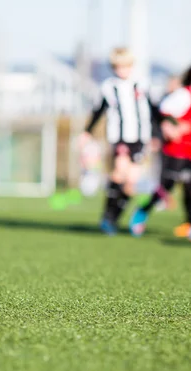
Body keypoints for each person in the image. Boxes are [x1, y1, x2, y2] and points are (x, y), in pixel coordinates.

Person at [129, 62, 191, 241]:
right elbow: (164, 112)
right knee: (167, 187)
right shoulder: (184, 94)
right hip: (179, 150)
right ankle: (142, 211)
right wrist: (173, 126)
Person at [79, 47, 152, 235]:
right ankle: (107, 218)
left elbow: (154, 112)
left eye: (126, 66)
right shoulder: (108, 87)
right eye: (118, 67)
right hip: (119, 138)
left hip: (140, 139)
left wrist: (159, 135)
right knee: (120, 172)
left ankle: (115, 216)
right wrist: (87, 132)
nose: (122, 70)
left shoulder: (142, 85)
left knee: (131, 183)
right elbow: (98, 111)